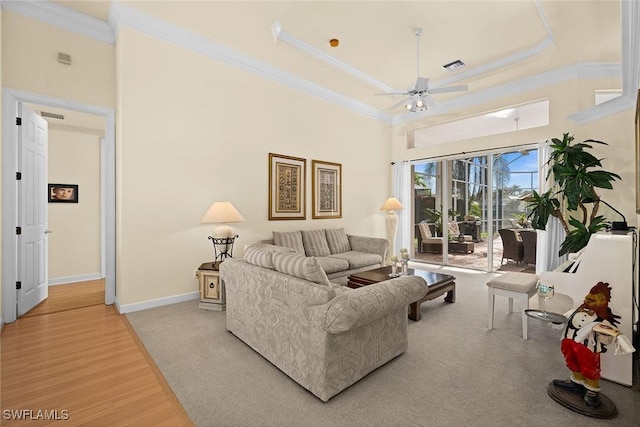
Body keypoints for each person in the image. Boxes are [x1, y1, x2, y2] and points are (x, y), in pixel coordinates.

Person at [552, 282, 634, 408]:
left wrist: (607, 336)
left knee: (589, 368)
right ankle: (576, 383)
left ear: (602, 302)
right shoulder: (574, 311)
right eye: (587, 298)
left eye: (592, 299)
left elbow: (607, 337)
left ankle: (592, 390)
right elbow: (562, 319)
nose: (586, 301)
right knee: (572, 362)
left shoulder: (602, 321)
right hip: (569, 342)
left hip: (587, 349)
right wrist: (556, 321)